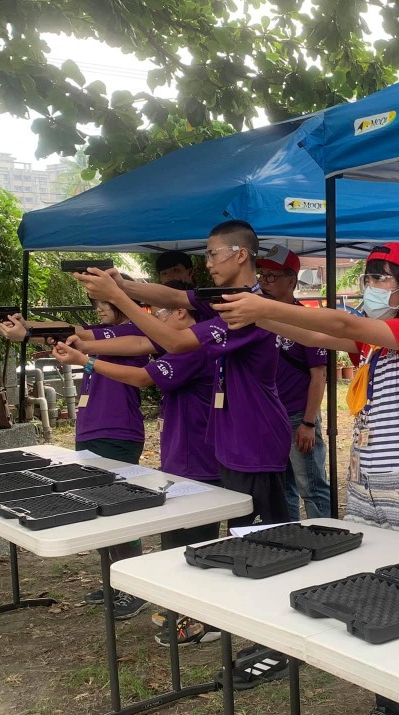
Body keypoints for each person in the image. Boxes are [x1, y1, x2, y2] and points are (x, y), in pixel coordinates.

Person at [214, 242, 399, 715]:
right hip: (366, 491)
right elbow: (319, 332)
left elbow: (348, 326)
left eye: (384, 279)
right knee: (378, 602)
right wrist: (263, 318)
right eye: (371, 277)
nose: (372, 288)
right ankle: (389, 708)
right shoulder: (377, 347)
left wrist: (263, 306)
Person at [73, 220, 292, 686]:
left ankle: (279, 641)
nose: (206, 263)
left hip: (254, 441)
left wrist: (120, 297)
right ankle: (247, 625)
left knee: (266, 542)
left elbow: (173, 341)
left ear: (239, 254)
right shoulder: (220, 301)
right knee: (239, 542)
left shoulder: (248, 308)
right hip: (229, 441)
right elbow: (174, 298)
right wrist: (120, 284)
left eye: (212, 254)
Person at [51, 284, 223, 646]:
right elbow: (105, 340)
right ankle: (185, 614)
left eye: (162, 311)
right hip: (180, 458)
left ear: (182, 314)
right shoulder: (177, 345)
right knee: (179, 545)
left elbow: (143, 373)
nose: (156, 318)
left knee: (194, 544)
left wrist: (87, 359)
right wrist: (81, 350)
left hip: (196, 459)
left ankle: (202, 619)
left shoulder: (190, 350)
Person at [0, 299, 152, 621]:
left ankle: (136, 589)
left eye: (105, 302)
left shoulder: (134, 331)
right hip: (90, 429)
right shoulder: (98, 335)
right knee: (95, 506)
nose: (98, 308)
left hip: (118, 431)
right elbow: (67, 334)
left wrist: (29, 331)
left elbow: (75, 334)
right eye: (95, 304)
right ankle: (113, 582)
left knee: (119, 510)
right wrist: (26, 327)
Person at [256, 247, 331, 519]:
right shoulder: (259, 319)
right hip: (270, 417)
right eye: (261, 275)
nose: (264, 281)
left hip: (298, 415)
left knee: (311, 486)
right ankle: (290, 538)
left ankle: (325, 536)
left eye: (271, 277)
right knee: (282, 487)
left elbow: (319, 375)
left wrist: (308, 423)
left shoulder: (308, 320)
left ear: (292, 281)